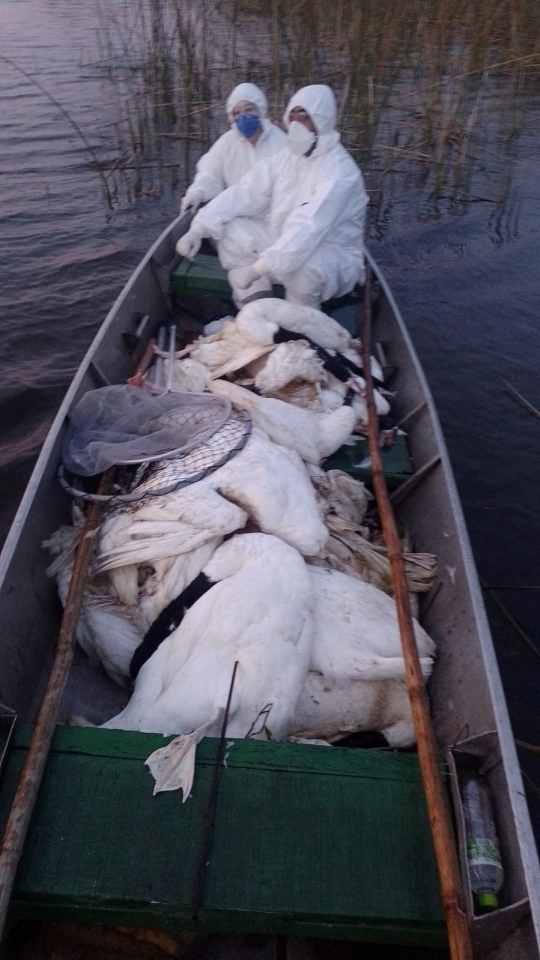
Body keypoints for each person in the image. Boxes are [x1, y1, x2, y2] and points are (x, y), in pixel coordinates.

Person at [176, 84, 369, 309]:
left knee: (305, 269)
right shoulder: (288, 157)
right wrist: (199, 228)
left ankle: (302, 323)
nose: (297, 124)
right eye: (293, 116)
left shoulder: (340, 173)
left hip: (332, 255)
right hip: (284, 241)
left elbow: (308, 228)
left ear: (322, 119)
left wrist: (257, 269)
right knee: (231, 228)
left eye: (304, 116)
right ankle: (257, 301)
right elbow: (246, 191)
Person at [179, 82, 286, 215]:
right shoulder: (227, 143)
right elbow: (210, 173)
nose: (243, 116)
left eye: (249, 109)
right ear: (231, 117)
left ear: (260, 109)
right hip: (239, 216)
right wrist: (198, 192)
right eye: (237, 112)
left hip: (274, 217)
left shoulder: (281, 142)